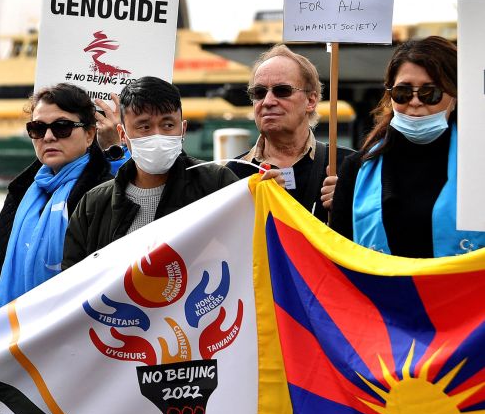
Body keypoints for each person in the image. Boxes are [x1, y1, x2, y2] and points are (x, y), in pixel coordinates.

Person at [0, 83, 114, 320]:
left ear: (89, 134)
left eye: (62, 127)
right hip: (7, 339)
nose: (48, 136)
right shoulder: (21, 192)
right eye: (37, 128)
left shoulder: (103, 192)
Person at [330, 36, 485, 257]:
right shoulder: (356, 168)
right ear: (389, 94)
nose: (414, 102)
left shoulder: (480, 163)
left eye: (429, 92)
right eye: (402, 92)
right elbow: (339, 257)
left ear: (455, 96)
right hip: (383, 291)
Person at [62, 77, 237, 268]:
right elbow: (74, 280)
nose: (157, 135)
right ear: (123, 135)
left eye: (168, 125)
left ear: (183, 129)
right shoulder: (94, 204)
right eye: (144, 127)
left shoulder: (218, 184)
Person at [226, 45, 348, 214]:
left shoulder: (346, 165)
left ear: (311, 100)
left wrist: (350, 206)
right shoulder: (231, 173)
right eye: (259, 93)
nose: (268, 101)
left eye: (282, 91)